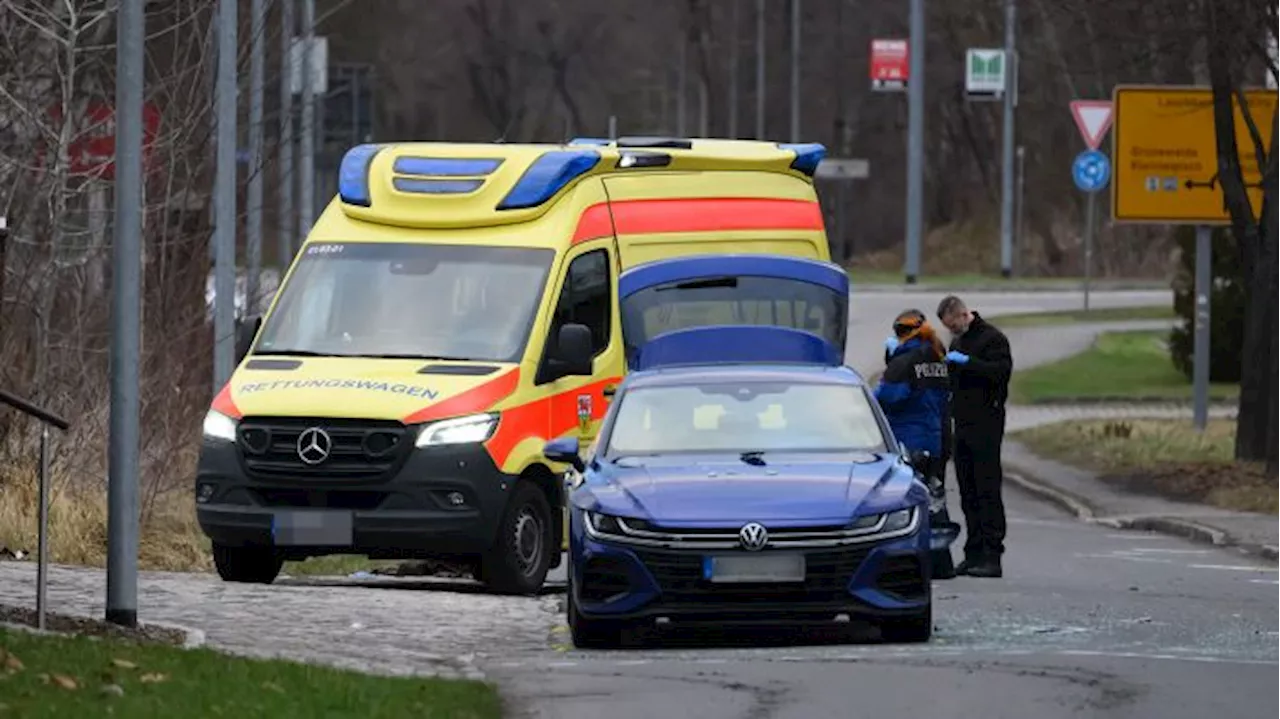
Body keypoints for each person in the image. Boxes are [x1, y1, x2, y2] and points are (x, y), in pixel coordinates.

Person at [873, 309, 959, 580]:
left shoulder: (904, 361)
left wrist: (884, 375)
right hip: (936, 438)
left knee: (909, 504)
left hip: (909, 441)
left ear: (901, 333)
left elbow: (888, 399)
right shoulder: (936, 355)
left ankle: (914, 563)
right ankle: (941, 563)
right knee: (934, 500)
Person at [935, 295, 1013, 578]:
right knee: (968, 491)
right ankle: (973, 551)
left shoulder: (992, 339)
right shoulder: (959, 342)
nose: (952, 332)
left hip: (987, 423)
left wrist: (969, 363)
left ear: (963, 314)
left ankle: (993, 554)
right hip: (963, 423)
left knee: (987, 489)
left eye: (953, 325)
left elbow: (1000, 373)